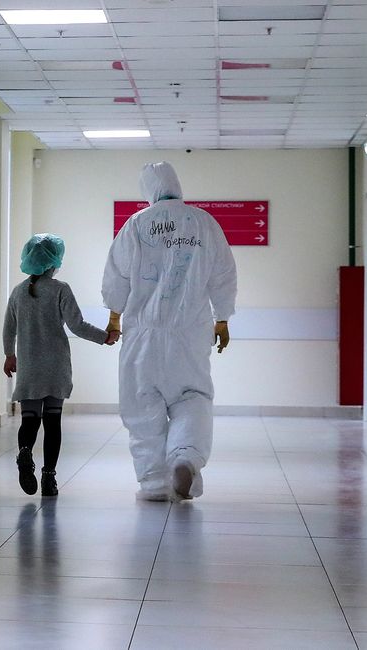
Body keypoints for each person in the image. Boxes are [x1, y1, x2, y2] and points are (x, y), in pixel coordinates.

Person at [102, 162, 238, 501]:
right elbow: (223, 274)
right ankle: (185, 457)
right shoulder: (204, 223)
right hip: (190, 333)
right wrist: (222, 318)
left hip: (143, 335)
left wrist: (114, 318)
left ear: (148, 189)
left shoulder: (136, 224)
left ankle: (153, 483)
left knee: (142, 405)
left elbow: (116, 276)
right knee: (192, 399)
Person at [3, 233, 118, 497]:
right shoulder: (60, 289)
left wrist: (9, 355)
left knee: (30, 420)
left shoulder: (18, 292)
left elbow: (9, 328)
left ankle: (24, 452)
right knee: (53, 423)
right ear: (53, 262)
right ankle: (49, 478)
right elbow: (77, 325)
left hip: (29, 366)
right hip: (55, 367)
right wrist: (105, 337)